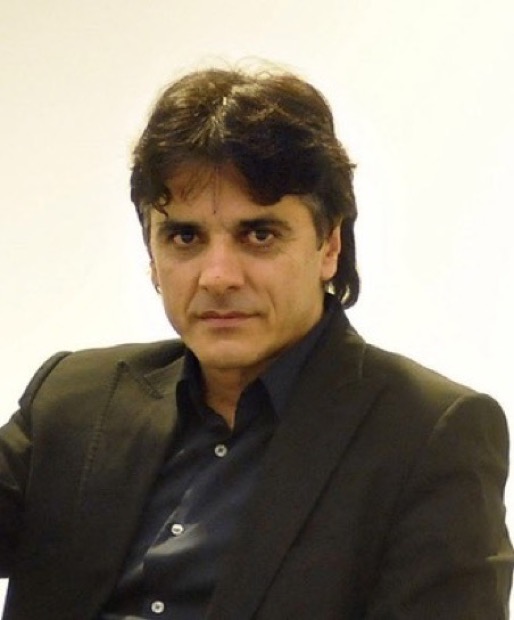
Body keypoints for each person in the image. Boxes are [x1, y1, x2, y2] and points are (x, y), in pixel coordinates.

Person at [0, 65, 512, 620]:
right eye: (185, 236)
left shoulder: (427, 435)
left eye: (259, 234)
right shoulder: (73, 400)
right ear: (152, 254)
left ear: (329, 246)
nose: (218, 276)